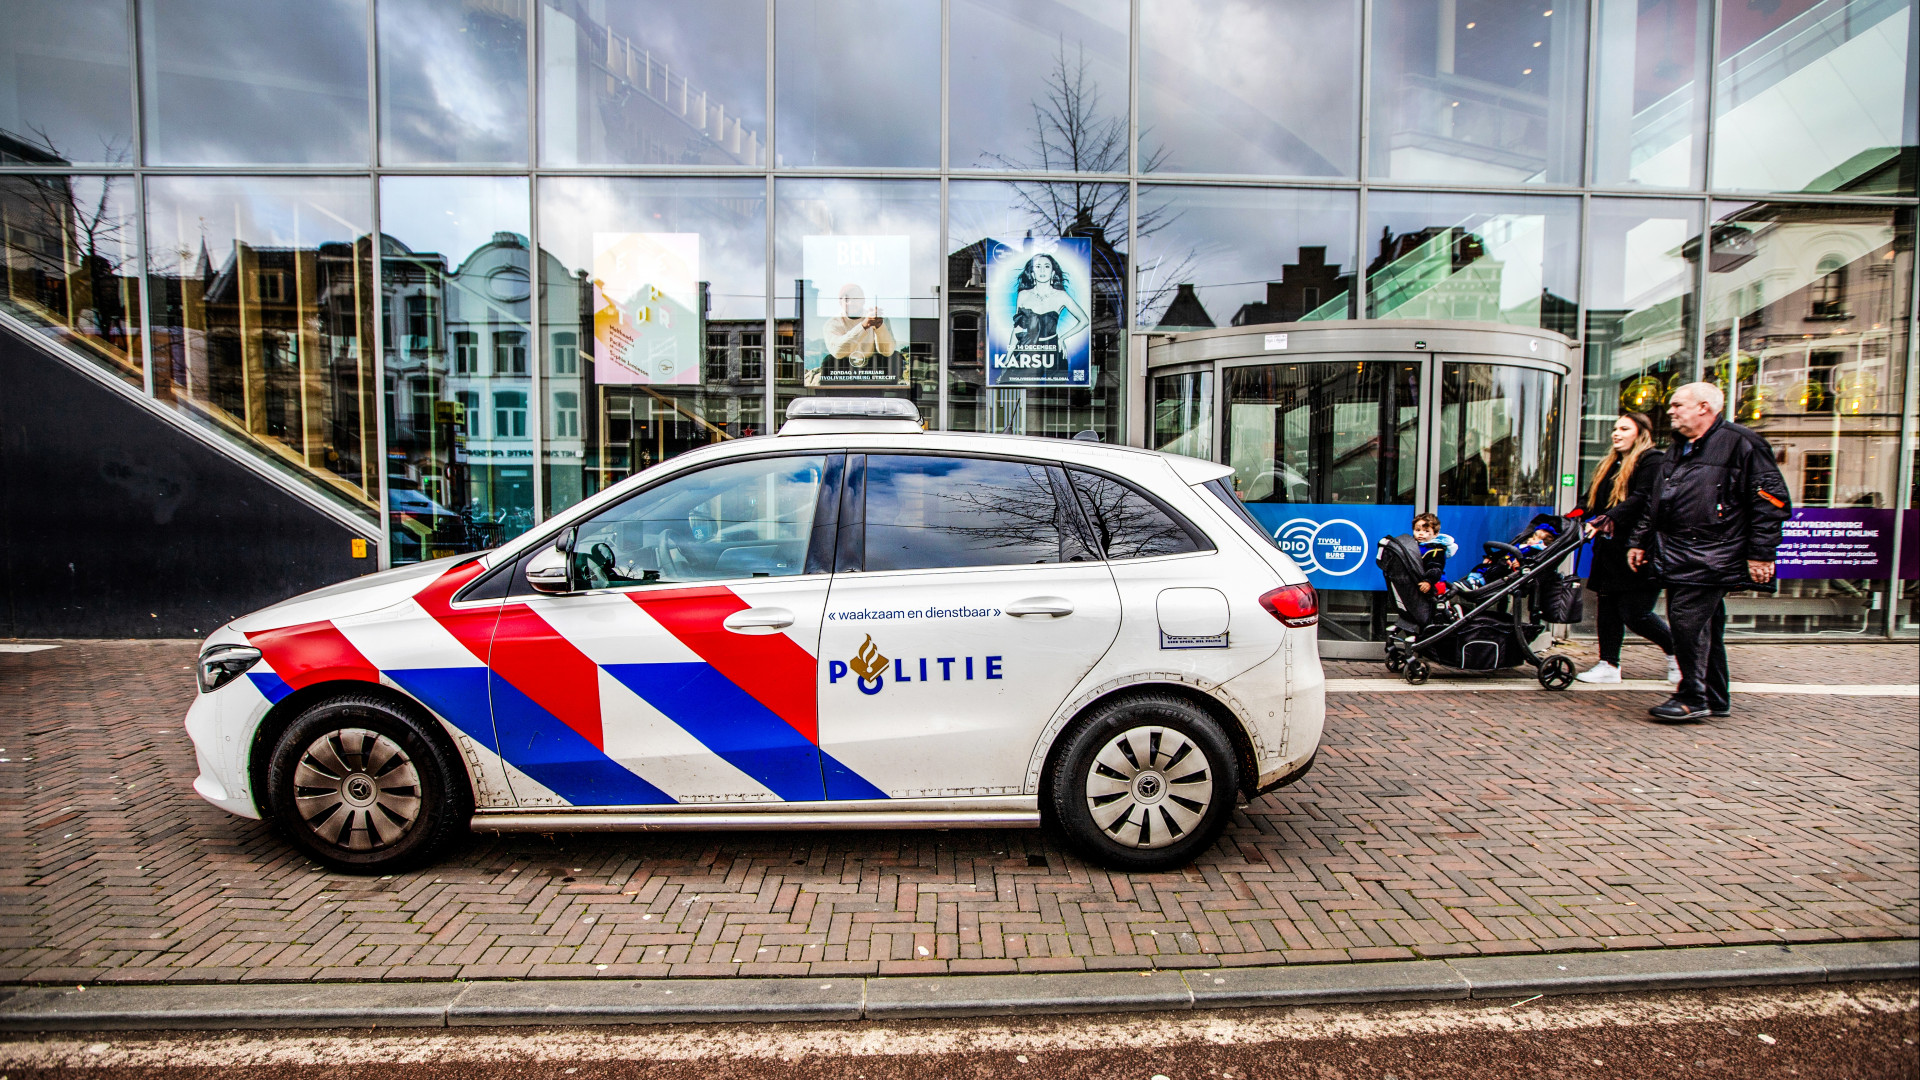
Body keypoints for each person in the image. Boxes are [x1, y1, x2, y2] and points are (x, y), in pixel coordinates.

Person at [1627, 382, 1792, 722]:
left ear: (1704, 407)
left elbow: (1771, 502)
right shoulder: (1679, 448)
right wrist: (1640, 540)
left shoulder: (1742, 443)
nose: (1670, 411)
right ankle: (1714, 696)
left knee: (1687, 622)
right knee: (1704, 626)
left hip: (1713, 554)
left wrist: (1761, 553)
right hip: (1679, 552)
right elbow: (1657, 501)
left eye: (1677, 405)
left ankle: (1692, 696)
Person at [1574, 413, 1680, 685]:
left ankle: (1678, 653)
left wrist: (1608, 519)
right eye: (1614, 429)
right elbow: (1594, 500)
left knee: (1636, 613)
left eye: (1623, 428)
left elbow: (1643, 498)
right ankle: (1608, 663)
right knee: (1607, 607)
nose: (1615, 433)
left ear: (1641, 433)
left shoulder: (1652, 460)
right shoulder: (1611, 463)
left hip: (1639, 546)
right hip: (1609, 548)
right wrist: (1575, 515)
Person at [816, 284, 899, 385]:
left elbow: (887, 352)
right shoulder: (832, 324)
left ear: (863, 300)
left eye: (855, 298)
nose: (851, 302)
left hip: (872, 369)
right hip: (843, 369)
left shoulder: (878, 318)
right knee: (829, 361)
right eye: (846, 299)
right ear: (840, 302)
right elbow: (837, 351)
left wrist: (879, 327)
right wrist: (864, 326)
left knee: (895, 357)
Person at [1459, 521, 1556, 590]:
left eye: (1535, 539)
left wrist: (1520, 564)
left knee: (1496, 572)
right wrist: (1491, 557)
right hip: (1503, 561)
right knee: (1482, 567)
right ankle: (1471, 580)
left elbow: (1532, 561)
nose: (1530, 540)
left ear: (1541, 543)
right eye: (1532, 537)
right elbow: (1505, 552)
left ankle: (1478, 583)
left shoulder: (1535, 551)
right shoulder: (1522, 545)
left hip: (1511, 571)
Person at [1411, 512, 1449, 595]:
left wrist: (1428, 581)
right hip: (1421, 582)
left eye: (1426, 531)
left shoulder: (1436, 549)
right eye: (1417, 530)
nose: (1421, 533)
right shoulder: (1415, 546)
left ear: (1435, 534)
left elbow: (1436, 568)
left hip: (1435, 583)